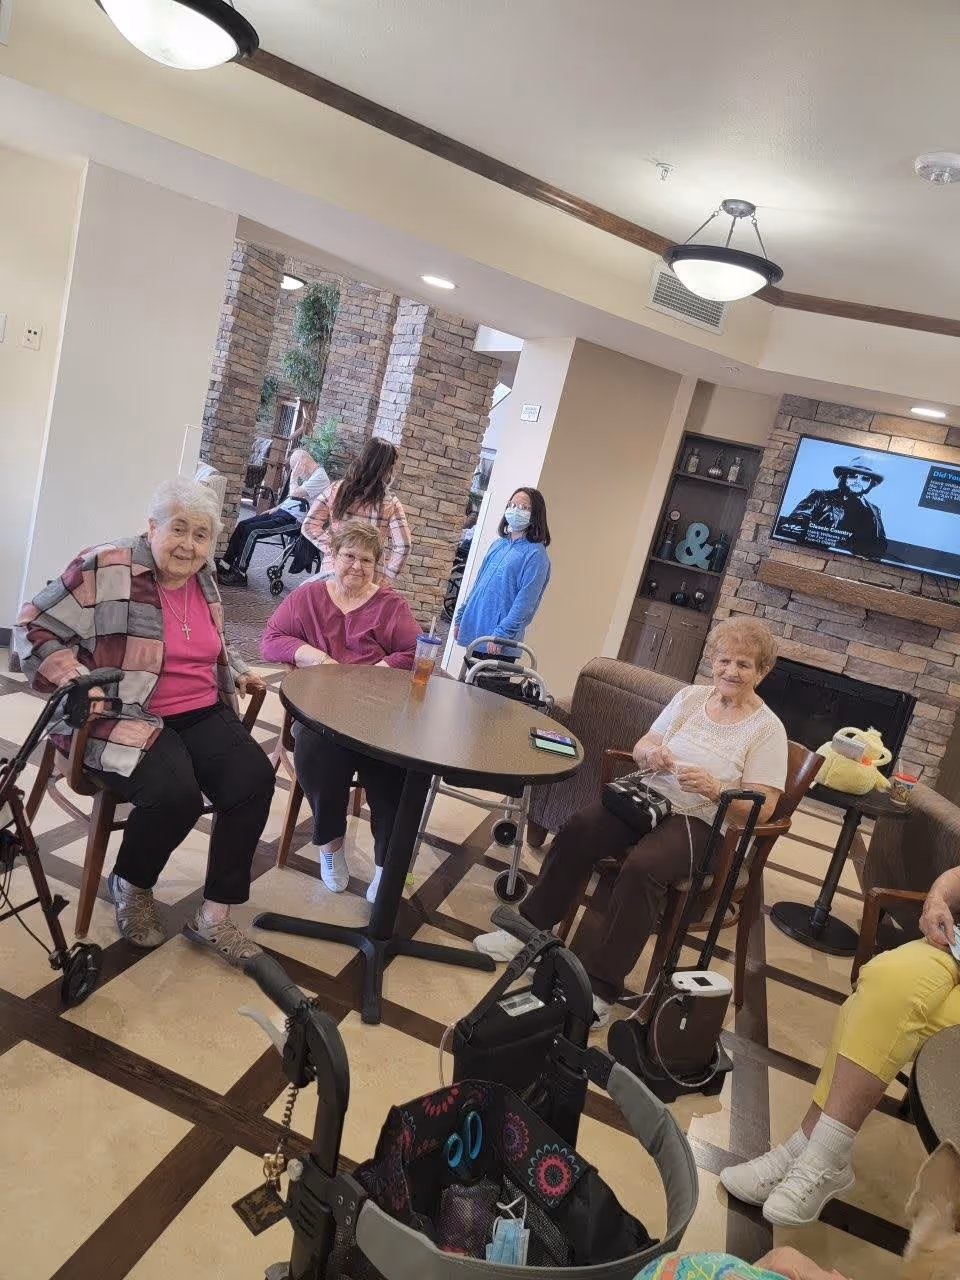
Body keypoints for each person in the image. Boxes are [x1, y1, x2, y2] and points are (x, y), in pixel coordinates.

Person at [474, 618, 788, 1025]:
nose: (731, 671)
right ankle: (526, 933)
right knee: (578, 830)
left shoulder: (767, 730)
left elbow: (764, 809)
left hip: (704, 820)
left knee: (643, 867)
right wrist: (649, 754)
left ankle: (600, 987)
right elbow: (646, 742)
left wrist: (716, 790)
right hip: (648, 796)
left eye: (744, 664)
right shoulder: (691, 698)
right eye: (724, 659)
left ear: (762, 672)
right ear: (713, 660)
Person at [14, 479, 275, 964]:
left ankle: (215, 916)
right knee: (174, 793)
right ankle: (132, 881)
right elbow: (32, 626)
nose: (189, 545)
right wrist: (76, 678)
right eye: (178, 529)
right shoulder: (106, 565)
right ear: (152, 526)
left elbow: (204, 642)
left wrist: (236, 670)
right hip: (119, 712)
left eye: (201, 535)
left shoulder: (202, 575)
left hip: (199, 708)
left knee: (254, 779)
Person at [720, 864, 960, 1227]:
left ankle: (812, 1148)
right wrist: (938, 900)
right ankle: (819, 1153)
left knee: (880, 1010)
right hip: (953, 952)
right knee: (886, 979)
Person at [260, 521, 420, 900]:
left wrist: (373, 673)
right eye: (349, 555)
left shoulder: (390, 605)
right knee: (317, 758)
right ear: (333, 557)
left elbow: (413, 652)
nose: (357, 566)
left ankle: (386, 866)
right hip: (320, 710)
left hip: (374, 712)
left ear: (377, 565)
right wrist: (312, 655)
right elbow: (271, 639)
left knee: (397, 768)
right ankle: (330, 847)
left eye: (367, 559)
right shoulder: (309, 597)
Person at [453, 487, 551, 656]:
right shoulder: (498, 545)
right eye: (512, 505)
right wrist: (461, 616)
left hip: (498, 644)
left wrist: (501, 635)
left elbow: (525, 604)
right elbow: (478, 586)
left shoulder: (536, 555)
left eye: (523, 507)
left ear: (535, 514)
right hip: (476, 633)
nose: (515, 510)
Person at [302, 438, 411, 581]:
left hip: (334, 570)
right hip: (369, 577)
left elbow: (309, 525)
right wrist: (387, 579)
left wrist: (336, 548)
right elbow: (403, 545)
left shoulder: (337, 489)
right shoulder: (390, 503)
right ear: (387, 469)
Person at [217, 448, 330, 586]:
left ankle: (240, 573)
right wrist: (275, 508)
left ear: (302, 464)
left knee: (252, 531)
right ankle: (225, 564)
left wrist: (293, 478)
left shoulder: (320, 477)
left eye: (295, 468)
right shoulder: (312, 475)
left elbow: (295, 494)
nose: (297, 474)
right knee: (243, 525)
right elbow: (293, 499)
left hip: (295, 521)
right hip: (284, 513)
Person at [780, 454, 887, 558]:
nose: (858, 481)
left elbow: (880, 546)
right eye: (853, 476)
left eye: (865, 478)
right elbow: (792, 525)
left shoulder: (874, 510)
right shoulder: (820, 496)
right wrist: (829, 542)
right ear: (844, 478)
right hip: (813, 556)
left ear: (871, 483)